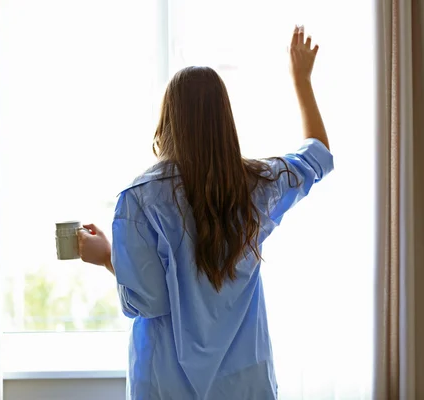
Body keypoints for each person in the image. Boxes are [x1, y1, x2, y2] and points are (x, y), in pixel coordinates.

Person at [77, 26, 333, 400]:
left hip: (165, 384)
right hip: (247, 383)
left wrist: (106, 258)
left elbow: (149, 301)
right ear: (224, 121)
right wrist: (302, 80)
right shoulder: (258, 185)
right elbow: (318, 156)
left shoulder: (138, 199)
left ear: (168, 120)